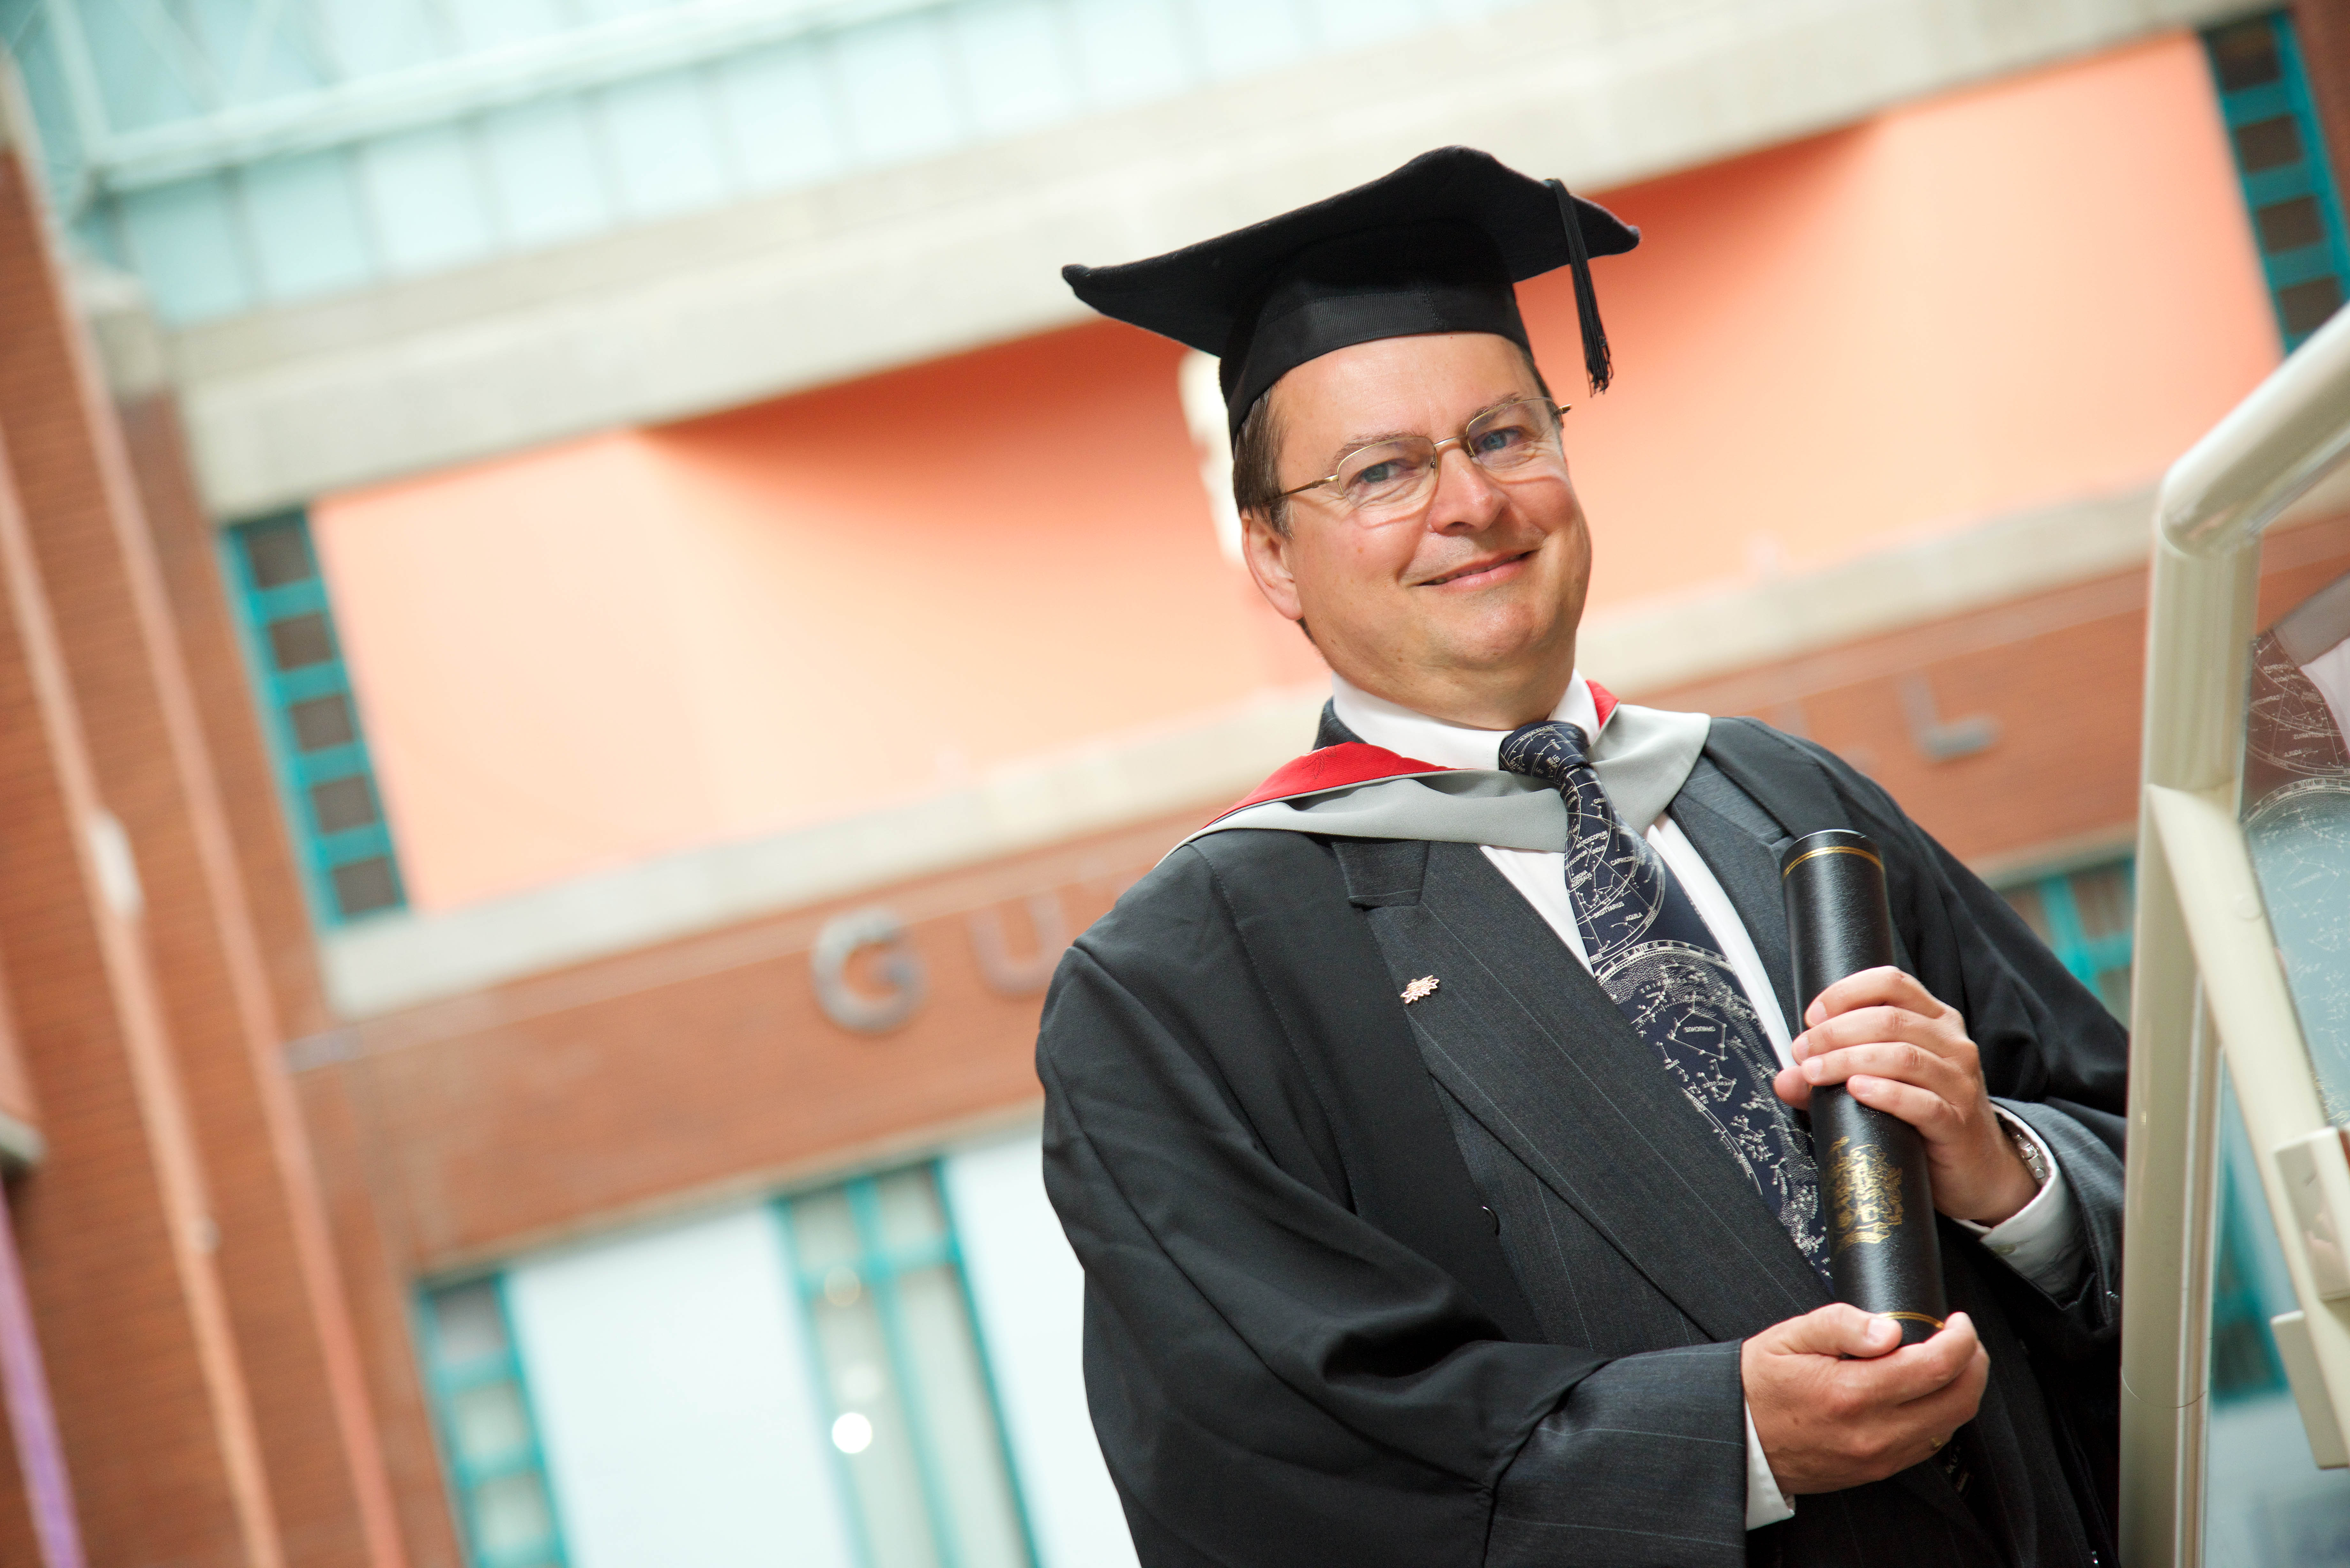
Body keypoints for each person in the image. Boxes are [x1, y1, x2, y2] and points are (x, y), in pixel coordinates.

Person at [1038, 146, 2125, 1568]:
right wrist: (1716, 1443)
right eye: (1381, 471)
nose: (1470, 504)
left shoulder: (1777, 791)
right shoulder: (1177, 984)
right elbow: (1254, 1443)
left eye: (1504, 436)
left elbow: (2144, 1134)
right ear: (1272, 554)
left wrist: (2005, 1173)